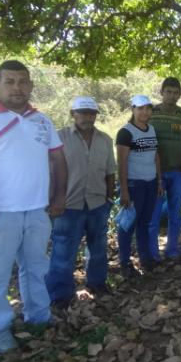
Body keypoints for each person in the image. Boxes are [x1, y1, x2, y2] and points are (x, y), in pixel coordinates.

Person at [0, 60, 67, 353]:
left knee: (35, 269)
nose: (17, 87)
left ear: (30, 85)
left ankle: (38, 317)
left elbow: (58, 159)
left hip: (37, 210)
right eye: (9, 81)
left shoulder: (42, 120)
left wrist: (59, 195)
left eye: (22, 81)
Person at [46, 96, 116, 310]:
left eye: (91, 113)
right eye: (82, 112)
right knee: (63, 250)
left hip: (97, 203)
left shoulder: (105, 139)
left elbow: (110, 171)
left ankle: (97, 283)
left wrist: (109, 198)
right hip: (68, 205)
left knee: (98, 248)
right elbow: (50, 172)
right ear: (72, 114)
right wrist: (51, 201)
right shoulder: (59, 138)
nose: (87, 117)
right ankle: (60, 294)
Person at [148, 77, 181, 262]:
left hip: (177, 173)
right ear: (161, 92)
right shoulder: (150, 112)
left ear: (180, 94)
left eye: (175, 92)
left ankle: (171, 250)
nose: (172, 95)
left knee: (175, 215)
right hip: (154, 174)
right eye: (168, 91)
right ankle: (153, 254)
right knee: (153, 217)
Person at [116, 95, 162, 277]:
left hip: (151, 184)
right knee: (127, 225)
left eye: (148, 108)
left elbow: (155, 156)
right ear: (133, 109)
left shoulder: (151, 129)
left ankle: (145, 258)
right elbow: (122, 162)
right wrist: (124, 190)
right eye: (140, 108)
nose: (145, 112)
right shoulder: (126, 132)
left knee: (144, 223)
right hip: (134, 185)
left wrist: (159, 180)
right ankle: (125, 262)